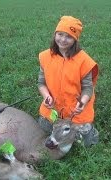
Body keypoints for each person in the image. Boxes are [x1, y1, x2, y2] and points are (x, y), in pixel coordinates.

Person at [37, 16, 99, 147]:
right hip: (55, 108)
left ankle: (89, 132)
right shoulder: (45, 57)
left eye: (69, 36)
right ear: (55, 34)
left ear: (75, 40)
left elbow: (88, 88)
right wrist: (46, 97)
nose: (63, 40)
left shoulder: (84, 61)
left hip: (76, 110)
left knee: (86, 143)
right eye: (60, 34)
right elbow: (41, 83)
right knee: (43, 127)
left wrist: (82, 103)